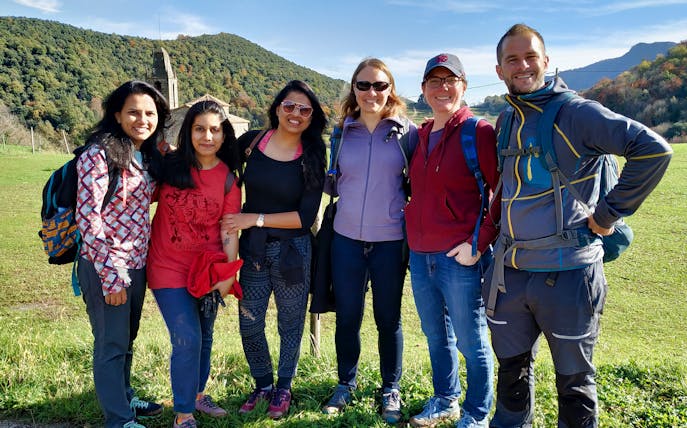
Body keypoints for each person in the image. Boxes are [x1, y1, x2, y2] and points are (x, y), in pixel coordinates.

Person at [486, 23, 673, 427]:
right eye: (512, 59)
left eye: (530, 56)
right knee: (511, 378)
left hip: (569, 274)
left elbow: (653, 150)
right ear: (499, 69)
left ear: (546, 62)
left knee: (574, 387)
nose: (523, 65)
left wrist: (607, 215)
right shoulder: (506, 120)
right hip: (511, 275)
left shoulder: (575, 112)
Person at [321, 57, 418, 425]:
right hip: (346, 239)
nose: (371, 93)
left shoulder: (408, 133)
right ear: (354, 89)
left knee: (388, 319)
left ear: (390, 89)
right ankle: (346, 384)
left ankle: (390, 387)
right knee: (347, 317)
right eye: (364, 85)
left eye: (380, 85)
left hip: (390, 240)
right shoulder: (342, 132)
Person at [404, 54, 499, 428]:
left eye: (450, 79)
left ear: (464, 84)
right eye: (434, 81)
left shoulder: (479, 132)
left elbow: (501, 191)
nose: (442, 87)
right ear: (424, 89)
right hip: (420, 253)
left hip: (459, 256)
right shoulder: (422, 134)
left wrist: (479, 242)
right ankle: (445, 399)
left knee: (470, 339)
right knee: (434, 335)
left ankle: (476, 413)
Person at [222, 80, 326, 420]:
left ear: (312, 117)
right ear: (277, 107)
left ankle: (284, 386)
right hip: (252, 251)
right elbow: (210, 160)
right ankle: (262, 384)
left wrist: (255, 218)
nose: (295, 114)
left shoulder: (312, 154)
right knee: (249, 321)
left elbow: (305, 217)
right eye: (289, 106)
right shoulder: (252, 141)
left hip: (292, 252)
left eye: (304, 109)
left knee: (290, 323)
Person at [75, 80, 170, 428]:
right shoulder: (98, 154)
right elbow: (88, 217)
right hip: (106, 267)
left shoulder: (144, 155)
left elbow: (142, 199)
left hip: (136, 264)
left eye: (150, 113)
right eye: (133, 111)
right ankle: (118, 419)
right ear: (117, 114)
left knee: (126, 338)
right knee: (111, 343)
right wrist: (111, 275)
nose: (142, 119)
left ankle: (125, 396)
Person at [147, 100, 243, 428]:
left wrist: (229, 275)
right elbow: (137, 195)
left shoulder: (229, 179)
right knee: (186, 335)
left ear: (224, 135)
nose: (207, 136)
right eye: (199, 128)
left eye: (215, 130)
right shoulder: (170, 167)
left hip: (207, 269)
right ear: (189, 132)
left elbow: (229, 231)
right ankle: (183, 413)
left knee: (204, 334)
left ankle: (198, 395)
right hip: (166, 267)